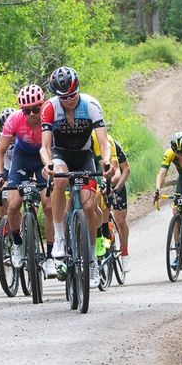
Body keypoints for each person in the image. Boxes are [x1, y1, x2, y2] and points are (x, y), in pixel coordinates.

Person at [41, 65, 114, 287]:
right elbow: (44, 146)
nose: (69, 100)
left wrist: (107, 160)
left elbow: (103, 142)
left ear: (78, 89)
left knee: (90, 208)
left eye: (73, 95)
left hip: (84, 155)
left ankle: (91, 260)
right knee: (60, 179)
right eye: (64, 97)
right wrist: (48, 164)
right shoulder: (50, 108)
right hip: (60, 153)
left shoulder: (91, 105)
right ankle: (60, 238)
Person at [0, 86, 55, 274]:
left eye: (36, 108)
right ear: (21, 110)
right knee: (12, 205)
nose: (32, 114)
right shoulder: (14, 120)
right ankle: (17, 243)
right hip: (22, 158)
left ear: (42, 104)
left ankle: (51, 255)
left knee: (49, 206)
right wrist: (1, 174)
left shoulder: (49, 115)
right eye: (27, 110)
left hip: (45, 158)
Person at [97, 131, 132, 272]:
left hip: (116, 182)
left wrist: (116, 188)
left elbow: (125, 170)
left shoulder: (111, 143)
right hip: (99, 182)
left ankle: (124, 254)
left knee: (120, 220)